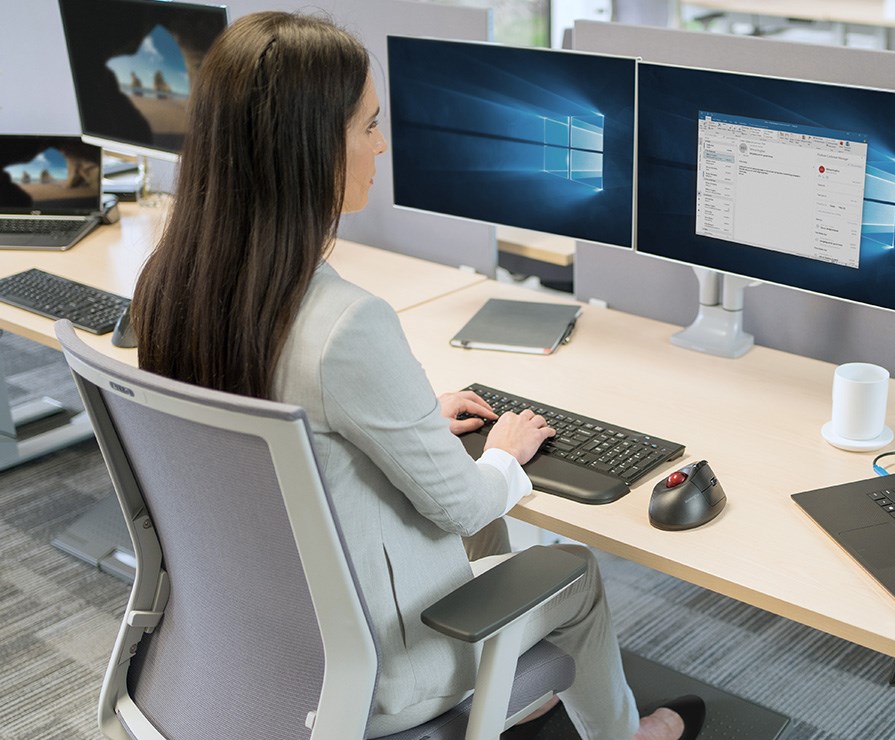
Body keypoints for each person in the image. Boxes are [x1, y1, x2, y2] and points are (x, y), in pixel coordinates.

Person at [131, 11, 702, 740]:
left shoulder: (172, 285)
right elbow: (463, 508)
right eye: (368, 125)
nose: (383, 143)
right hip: (376, 667)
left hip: (251, 630)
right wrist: (506, 453)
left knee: (498, 547)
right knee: (571, 569)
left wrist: (407, 420)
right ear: (311, 152)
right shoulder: (344, 324)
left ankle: (520, 691)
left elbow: (283, 428)